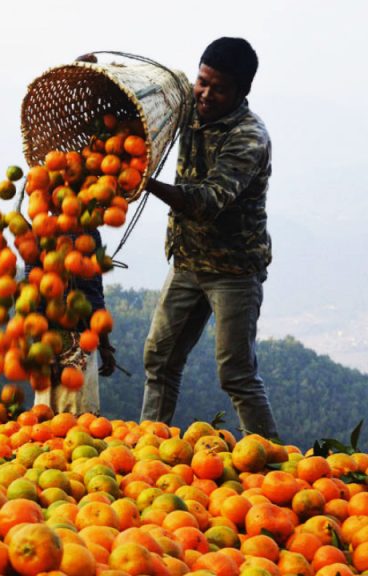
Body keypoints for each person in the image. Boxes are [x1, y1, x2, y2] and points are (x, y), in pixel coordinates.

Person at [140, 38, 278, 439]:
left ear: (242, 91)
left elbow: (208, 201)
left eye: (218, 88)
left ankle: (271, 464)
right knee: (159, 359)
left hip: (233, 269)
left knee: (236, 373)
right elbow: (142, 104)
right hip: (187, 259)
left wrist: (146, 184)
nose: (205, 94)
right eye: (202, 81)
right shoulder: (190, 103)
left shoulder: (249, 137)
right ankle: (149, 444)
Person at [32, 230, 117, 415]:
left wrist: (104, 344)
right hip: (54, 342)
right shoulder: (41, 233)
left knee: (77, 429)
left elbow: (93, 292)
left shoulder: (89, 234)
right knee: (48, 426)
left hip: (81, 342)